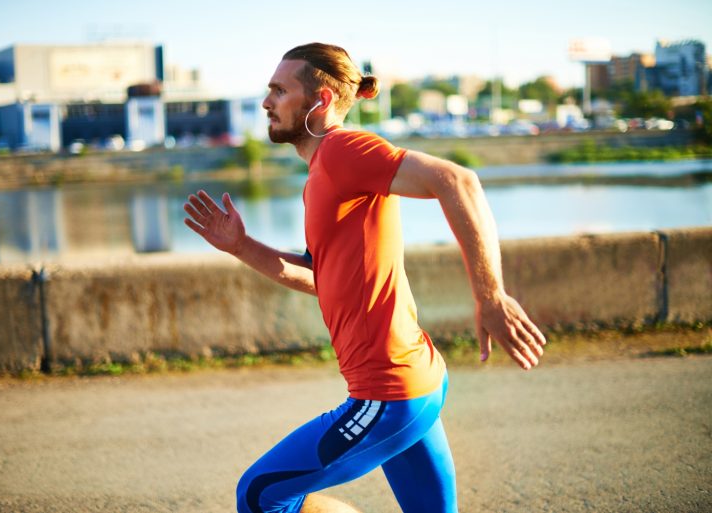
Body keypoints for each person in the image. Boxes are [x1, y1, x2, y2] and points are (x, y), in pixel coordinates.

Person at [184, 42, 546, 513]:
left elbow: (458, 181)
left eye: (279, 89)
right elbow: (320, 276)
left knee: (260, 494)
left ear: (321, 102)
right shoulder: (322, 175)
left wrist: (491, 294)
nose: (266, 102)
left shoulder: (342, 150)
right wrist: (241, 246)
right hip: (416, 381)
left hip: (390, 393)